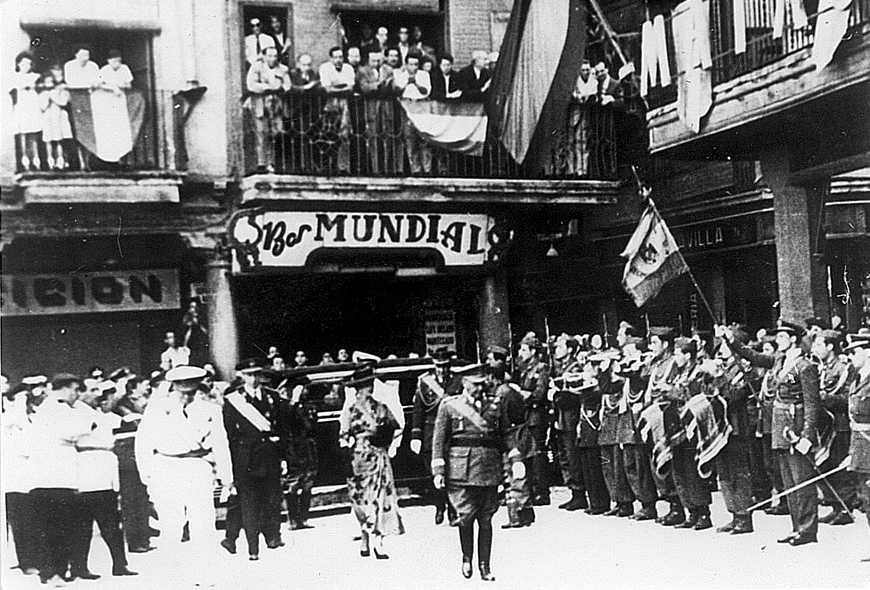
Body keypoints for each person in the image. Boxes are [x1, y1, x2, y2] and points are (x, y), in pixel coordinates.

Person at [718, 321, 822, 546]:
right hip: (779, 426)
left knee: (802, 479)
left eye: (782, 337)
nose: (777, 341)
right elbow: (752, 356)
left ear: (794, 339)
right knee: (788, 481)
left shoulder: (805, 366)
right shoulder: (778, 360)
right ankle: (797, 527)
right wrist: (729, 340)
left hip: (796, 426)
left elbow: (813, 405)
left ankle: (807, 529)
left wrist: (807, 436)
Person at [136, 366, 232, 583]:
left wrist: (227, 478)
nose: (186, 397)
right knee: (170, 525)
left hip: (197, 466)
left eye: (191, 392)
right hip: (166, 466)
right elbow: (143, 443)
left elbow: (220, 443)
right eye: (182, 392)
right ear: (173, 387)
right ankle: (170, 577)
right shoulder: (157, 408)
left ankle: (204, 573)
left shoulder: (210, 409)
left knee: (203, 524)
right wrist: (147, 476)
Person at [433, 365, 519, 581]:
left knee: (486, 519)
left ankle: (485, 566)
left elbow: (507, 434)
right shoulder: (450, 406)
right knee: (465, 517)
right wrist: (438, 470)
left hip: (489, 469)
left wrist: (516, 459)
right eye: (474, 384)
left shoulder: (494, 405)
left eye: (481, 384)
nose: (479, 389)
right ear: (464, 383)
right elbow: (438, 439)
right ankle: (466, 558)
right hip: (460, 470)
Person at [27, 373, 94, 587]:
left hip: (61, 477)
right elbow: (74, 432)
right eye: (74, 389)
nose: (77, 394)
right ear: (64, 388)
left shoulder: (58, 408)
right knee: (53, 528)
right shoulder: (53, 408)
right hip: (51, 477)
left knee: (61, 526)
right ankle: (50, 572)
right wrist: (89, 424)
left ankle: (58, 570)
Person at [70, 381, 137, 579]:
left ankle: (119, 564)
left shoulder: (99, 413)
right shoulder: (77, 412)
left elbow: (121, 423)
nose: (97, 394)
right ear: (81, 393)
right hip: (86, 469)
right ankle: (79, 567)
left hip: (103, 469)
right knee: (85, 524)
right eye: (92, 390)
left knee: (110, 523)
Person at [222, 359, 288, 559]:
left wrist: (283, 456)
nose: (253, 379)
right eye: (249, 375)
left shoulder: (272, 397)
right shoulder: (233, 400)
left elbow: (281, 428)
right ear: (241, 376)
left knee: (271, 499)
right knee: (249, 503)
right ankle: (253, 548)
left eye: (256, 374)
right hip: (246, 459)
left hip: (269, 455)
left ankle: (273, 536)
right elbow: (230, 434)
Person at [339, 362, 405, 559]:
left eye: (368, 385)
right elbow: (343, 434)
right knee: (360, 500)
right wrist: (348, 446)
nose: (366, 390)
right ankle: (364, 536)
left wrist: (384, 439)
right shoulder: (350, 410)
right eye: (363, 386)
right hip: (358, 459)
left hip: (377, 456)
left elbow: (397, 426)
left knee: (379, 497)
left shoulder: (380, 408)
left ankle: (377, 541)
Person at [711, 329, 756, 534]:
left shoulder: (744, 369)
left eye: (724, 345)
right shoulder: (724, 368)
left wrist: (719, 377)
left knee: (739, 473)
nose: (720, 349)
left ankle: (744, 517)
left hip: (737, 426)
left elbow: (734, 395)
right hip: (720, 428)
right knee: (725, 473)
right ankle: (734, 513)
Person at [410, 347, 462, 524]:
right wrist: (416, 435)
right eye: (439, 366)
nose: (442, 370)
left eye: (445, 366)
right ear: (434, 365)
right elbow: (418, 410)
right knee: (434, 472)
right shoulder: (425, 382)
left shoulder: (458, 381)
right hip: (430, 432)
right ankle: (439, 505)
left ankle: (453, 510)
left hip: (451, 432)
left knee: (452, 472)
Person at [813, 329, 856, 525]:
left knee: (838, 467)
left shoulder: (843, 368)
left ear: (830, 346)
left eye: (820, 344)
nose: (815, 348)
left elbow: (848, 398)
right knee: (823, 466)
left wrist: (824, 398)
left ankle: (845, 508)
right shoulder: (821, 367)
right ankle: (834, 505)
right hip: (824, 425)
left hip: (839, 425)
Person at [113, 377, 155, 553]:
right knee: (131, 501)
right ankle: (135, 540)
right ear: (132, 391)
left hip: (140, 457)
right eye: (142, 386)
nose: (146, 388)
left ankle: (143, 538)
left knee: (142, 499)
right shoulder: (122, 408)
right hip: (127, 459)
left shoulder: (142, 403)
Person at [2, 383, 39, 576]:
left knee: (34, 519)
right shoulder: (7, 420)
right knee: (21, 521)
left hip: (33, 476)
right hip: (15, 478)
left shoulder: (32, 419)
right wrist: (18, 402)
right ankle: (26, 561)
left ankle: (36, 558)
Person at [550, 335, 587, 511]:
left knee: (573, 457)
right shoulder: (560, 368)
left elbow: (576, 395)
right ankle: (574, 492)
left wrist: (558, 394)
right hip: (561, 417)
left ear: (570, 349)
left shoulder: (575, 367)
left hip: (571, 417)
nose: (556, 349)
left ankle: (579, 493)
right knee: (564, 456)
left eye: (560, 346)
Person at [513, 332, 551, 505]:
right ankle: (534, 489)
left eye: (524, 349)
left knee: (538, 455)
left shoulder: (541, 368)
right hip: (527, 416)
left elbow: (539, 393)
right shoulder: (524, 369)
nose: (521, 352)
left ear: (533, 351)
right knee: (528, 453)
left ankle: (542, 491)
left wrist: (521, 394)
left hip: (537, 415)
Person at [844, 332, 870, 561]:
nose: (850, 356)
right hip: (860, 447)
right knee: (866, 497)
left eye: (854, 352)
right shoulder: (857, 377)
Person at [244, 45, 291, 173]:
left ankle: (273, 163)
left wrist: (280, 88)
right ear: (264, 56)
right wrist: (268, 87)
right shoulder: (256, 67)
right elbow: (251, 85)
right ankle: (261, 163)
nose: (273, 58)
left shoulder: (282, 69)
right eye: (269, 55)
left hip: (276, 106)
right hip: (261, 105)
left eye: (275, 56)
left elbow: (287, 85)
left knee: (275, 134)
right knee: (261, 133)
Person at [284, 383, 319, 529]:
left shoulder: (310, 407)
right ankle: (292, 519)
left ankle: (304, 518)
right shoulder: (287, 407)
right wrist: (294, 404)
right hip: (294, 448)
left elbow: (311, 425)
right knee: (293, 483)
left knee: (308, 483)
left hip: (308, 447)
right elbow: (286, 422)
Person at [93, 49, 135, 164]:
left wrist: (120, 85)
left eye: (119, 61)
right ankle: (108, 159)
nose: (117, 64)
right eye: (115, 61)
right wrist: (112, 87)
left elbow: (129, 84)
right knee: (108, 129)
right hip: (107, 102)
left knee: (121, 128)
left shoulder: (124, 69)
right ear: (109, 61)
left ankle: (122, 159)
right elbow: (98, 84)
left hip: (120, 101)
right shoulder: (104, 70)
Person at [393, 51, 432, 175]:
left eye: (416, 64)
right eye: (410, 64)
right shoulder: (401, 75)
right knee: (410, 139)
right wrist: (407, 83)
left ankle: (427, 169)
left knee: (424, 139)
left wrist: (416, 82)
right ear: (406, 64)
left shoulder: (424, 75)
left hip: (421, 107)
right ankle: (415, 169)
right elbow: (397, 91)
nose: (413, 67)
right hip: (407, 108)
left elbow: (426, 91)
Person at [319, 46, 355, 173]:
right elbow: (327, 89)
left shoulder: (348, 68)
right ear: (331, 59)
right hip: (330, 103)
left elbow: (350, 88)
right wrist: (342, 87)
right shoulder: (325, 68)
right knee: (329, 133)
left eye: (340, 57)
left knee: (344, 133)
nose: (338, 60)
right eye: (335, 57)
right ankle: (328, 166)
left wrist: (336, 87)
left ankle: (343, 166)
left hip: (344, 103)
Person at [39, 65, 73, 170]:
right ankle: (50, 161)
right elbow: (43, 106)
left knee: (60, 139)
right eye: (47, 82)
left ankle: (62, 160)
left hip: (59, 116)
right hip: (48, 117)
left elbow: (63, 102)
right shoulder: (43, 93)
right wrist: (47, 96)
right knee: (49, 140)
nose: (49, 84)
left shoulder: (59, 91)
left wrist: (55, 94)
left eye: (51, 81)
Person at [12, 51, 42, 171]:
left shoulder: (36, 76)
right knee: (23, 134)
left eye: (29, 64)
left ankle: (36, 159)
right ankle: (25, 160)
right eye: (23, 64)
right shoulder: (14, 77)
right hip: (21, 107)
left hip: (33, 107)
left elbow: (41, 88)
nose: (26, 66)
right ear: (18, 64)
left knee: (33, 134)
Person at [568, 59, 598, 177]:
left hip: (585, 114)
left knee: (583, 142)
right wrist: (576, 97)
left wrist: (587, 98)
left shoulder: (592, 81)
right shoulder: (575, 81)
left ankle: (582, 170)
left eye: (587, 70)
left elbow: (593, 95)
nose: (585, 72)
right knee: (571, 142)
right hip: (574, 114)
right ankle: (572, 169)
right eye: (583, 70)